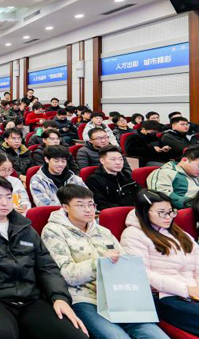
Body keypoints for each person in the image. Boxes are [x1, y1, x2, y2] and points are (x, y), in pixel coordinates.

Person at [0, 174, 88, 338]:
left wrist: (59, 297)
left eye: (9, 197)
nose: (5, 203)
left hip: (31, 299)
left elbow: (47, 266)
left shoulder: (24, 226)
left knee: (74, 334)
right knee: (0, 335)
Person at [42, 185, 168, 339]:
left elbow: (125, 264)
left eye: (91, 204)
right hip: (84, 298)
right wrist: (100, 263)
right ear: (65, 207)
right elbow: (65, 274)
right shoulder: (53, 231)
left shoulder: (103, 231)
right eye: (80, 205)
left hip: (117, 296)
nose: (88, 210)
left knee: (157, 335)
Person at [121, 189, 199, 335]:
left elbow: (197, 262)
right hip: (165, 296)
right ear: (144, 212)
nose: (168, 217)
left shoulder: (179, 233)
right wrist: (186, 289)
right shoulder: (133, 235)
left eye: (170, 212)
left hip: (192, 292)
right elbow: (142, 274)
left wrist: (196, 287)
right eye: (161, 212)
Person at [85, 145, 140, 210]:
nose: (118, 163)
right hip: (114, 212)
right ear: (102, 161)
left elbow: (139, 194)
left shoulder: (126, 176)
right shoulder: (94, 180)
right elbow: (101, 203)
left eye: (121, 159)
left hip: (134, 211)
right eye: (113, 159)